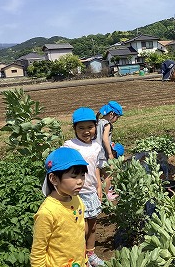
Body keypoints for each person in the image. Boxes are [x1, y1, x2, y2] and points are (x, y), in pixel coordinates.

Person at [30, 147, 88, 267]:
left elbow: (79, 236)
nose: (80, 181)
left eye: (82, 175)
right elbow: (38, 252)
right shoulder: (47, 212)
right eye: (74, 176)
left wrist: (85, 259)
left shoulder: (77, 199)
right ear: (54, 178)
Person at [64, 107, 104, 267]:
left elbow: (96, 167)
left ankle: (91, 253)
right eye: (81, 128)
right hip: (76, 194)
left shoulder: (96, 146)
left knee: (93, 226)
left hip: (91, 192)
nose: (86, 131)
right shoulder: (70, 145)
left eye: (90, 127)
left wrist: (99, 186)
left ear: (95, 127)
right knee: (81, 228)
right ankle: (81, 257)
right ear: (74, 129)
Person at [95, 101, 123, 201]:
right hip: (103, 154)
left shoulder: (97, 122)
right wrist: (110, 153)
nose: (117, 119)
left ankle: (98, 194)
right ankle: (107, 194)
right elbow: (105, 139)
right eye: (117, 117)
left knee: (97, 176)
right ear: (111, 114)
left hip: (95, 154)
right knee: (108, 175)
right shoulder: (107, 124)